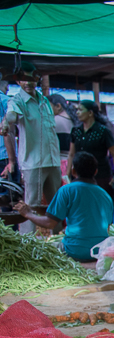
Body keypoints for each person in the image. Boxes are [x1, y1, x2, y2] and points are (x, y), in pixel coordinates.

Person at [13, 152, 111, 261]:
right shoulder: (105, 195)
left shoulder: (66, 190)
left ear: (73, 171)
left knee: (36, 250)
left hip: (74, 250)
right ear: (96, 172)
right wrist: (35, 209)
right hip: (99, 251)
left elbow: (50, 223)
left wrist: (28, 214)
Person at [1, 64, 61, 234]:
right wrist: (6, 121)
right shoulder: (17, 101)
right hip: (33, 162)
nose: (28, 83)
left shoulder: (44, 101)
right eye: (24, 79)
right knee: (31, 205)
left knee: (55, 204)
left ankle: (56, 241)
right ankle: (27, 241)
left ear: (37, 79)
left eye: (31, 79)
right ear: (18, 81)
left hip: (53, 160)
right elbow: (12, 115)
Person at [67, 101, 114, 200]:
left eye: (80, 110)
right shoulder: (76, 131)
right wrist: (67, 174)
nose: (77, 113)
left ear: (90, 113)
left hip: (101, 175)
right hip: (80, 176)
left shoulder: (103, 131)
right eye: (77, 110)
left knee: (100, 201)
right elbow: (71, 154)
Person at [48, 94, 77, 185]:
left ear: (58, 106)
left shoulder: (54, 121)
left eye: (48, 106)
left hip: (60, 165)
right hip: (74, 164)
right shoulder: (74, 121)